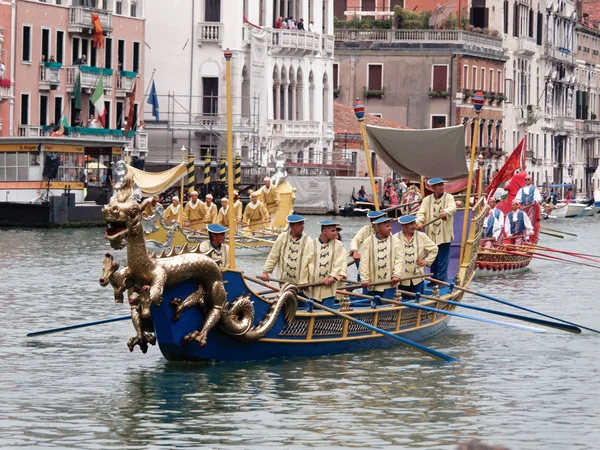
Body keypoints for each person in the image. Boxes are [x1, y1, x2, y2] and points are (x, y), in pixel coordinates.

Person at [416, 178, 457, 283]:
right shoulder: (427, 200)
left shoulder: (449, 197)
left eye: (442, 185)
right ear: (433, 188)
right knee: (432, 257)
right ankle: (433, 280)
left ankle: (441, 281)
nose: (442, 187)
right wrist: (419, 222)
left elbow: (452, 208)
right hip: (431, 234)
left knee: (443, 259)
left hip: (444, 235)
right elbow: (421, 213)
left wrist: (446, 212)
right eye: (439, 185)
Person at [260, 214, 312, 284]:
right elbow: (273, 256)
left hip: (301, 284)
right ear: (292, 226)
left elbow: (311, 262)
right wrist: (266, 272)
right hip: (283, 282)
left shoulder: (308, 240)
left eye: (303, 224)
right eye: (300, 224)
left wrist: (307, 281)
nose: (303, 226)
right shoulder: (282, 237)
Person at [306, 220, 347, 308]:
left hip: (329, 288)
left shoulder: (339, 245)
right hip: (312, 288)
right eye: (333, 231)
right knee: (312, 313)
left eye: (335, 230)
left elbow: (339, 262)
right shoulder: (311, 244)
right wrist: (303, 282)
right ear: (324, 231)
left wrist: (333, 276)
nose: (336, 233)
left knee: (325, 314)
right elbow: (304, 264)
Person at [359, 217, 403, 299]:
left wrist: (396, 275)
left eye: (390, 225)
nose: (390, 228)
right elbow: (364, 262)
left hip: (390, 283)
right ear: (379, 228)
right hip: (373, 283)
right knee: (372, 306)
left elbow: (399, 260)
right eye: (387, 226)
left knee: (387, 305)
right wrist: (365, 279)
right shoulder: (368, 242)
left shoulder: (396, 241)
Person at [397, 215, 438, 299]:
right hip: (402, 278)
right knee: (403, 302)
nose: (414, 226)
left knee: (419, 301)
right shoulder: (395, 238)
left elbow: (434, 249)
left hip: (418, 277)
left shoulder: (421, 236)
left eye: (414, 223)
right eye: (410, 224)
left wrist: (426, 261)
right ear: (403, 226)